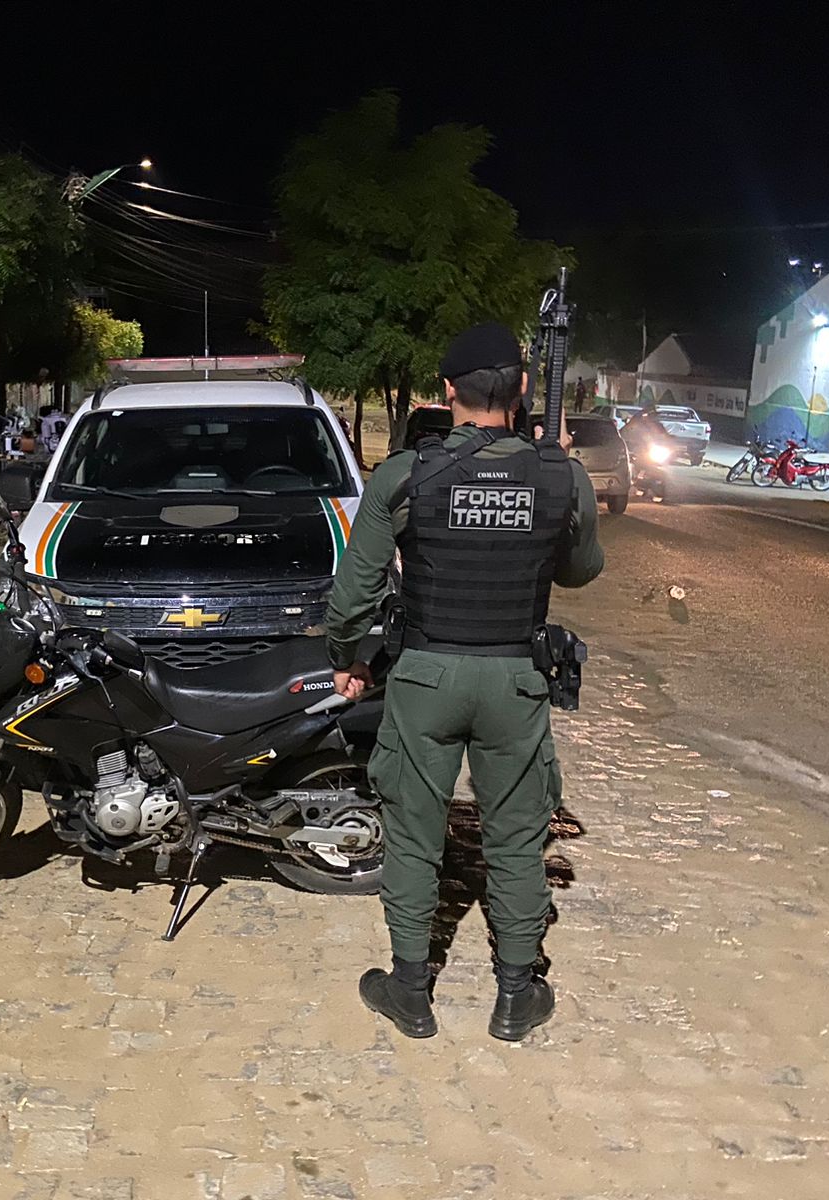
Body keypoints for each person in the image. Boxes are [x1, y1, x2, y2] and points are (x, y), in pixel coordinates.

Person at [323, 322, 604, 1042]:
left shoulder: (405, 474)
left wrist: (347, 658)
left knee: (414, 836)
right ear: (521, 389)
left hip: (425, 677)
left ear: (446, 390)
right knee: (516, 841)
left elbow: (353, 594)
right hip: (515, 680)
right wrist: (553, 479)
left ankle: (410, 991)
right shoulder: (560, 475)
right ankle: (515, 997)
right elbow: (581, 571)